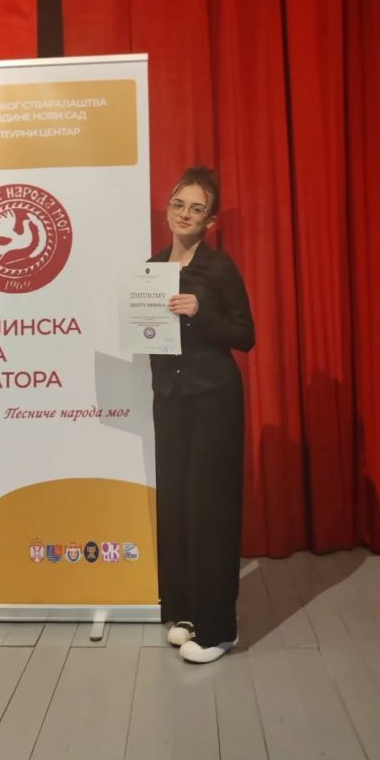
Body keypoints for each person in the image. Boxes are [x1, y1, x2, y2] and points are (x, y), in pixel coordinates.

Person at [149, 166, 255, 663]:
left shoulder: (219, 267)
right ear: (167, 208)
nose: (185, 214)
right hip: (170, 400)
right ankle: (187, 613)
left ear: (209, 220)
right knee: (178, 507)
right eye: (179, 204)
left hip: (214, 398)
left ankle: (218, 630)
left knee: (211, 510)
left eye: (197, 208)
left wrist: (200, 312)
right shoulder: (151, 267)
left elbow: (245, 335)